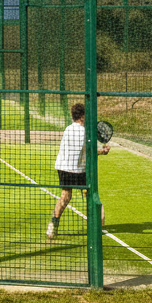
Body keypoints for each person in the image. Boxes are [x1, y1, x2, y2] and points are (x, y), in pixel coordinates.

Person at [48, 102, 109, 240]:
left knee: (65, 195)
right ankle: (98, 226)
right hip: (79, 170)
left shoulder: (68, 129)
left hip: (63, 168)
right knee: (91, 195)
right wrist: (103, 151)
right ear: (82, 116)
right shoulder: (85, 132)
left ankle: (53, 224)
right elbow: (90, 151)